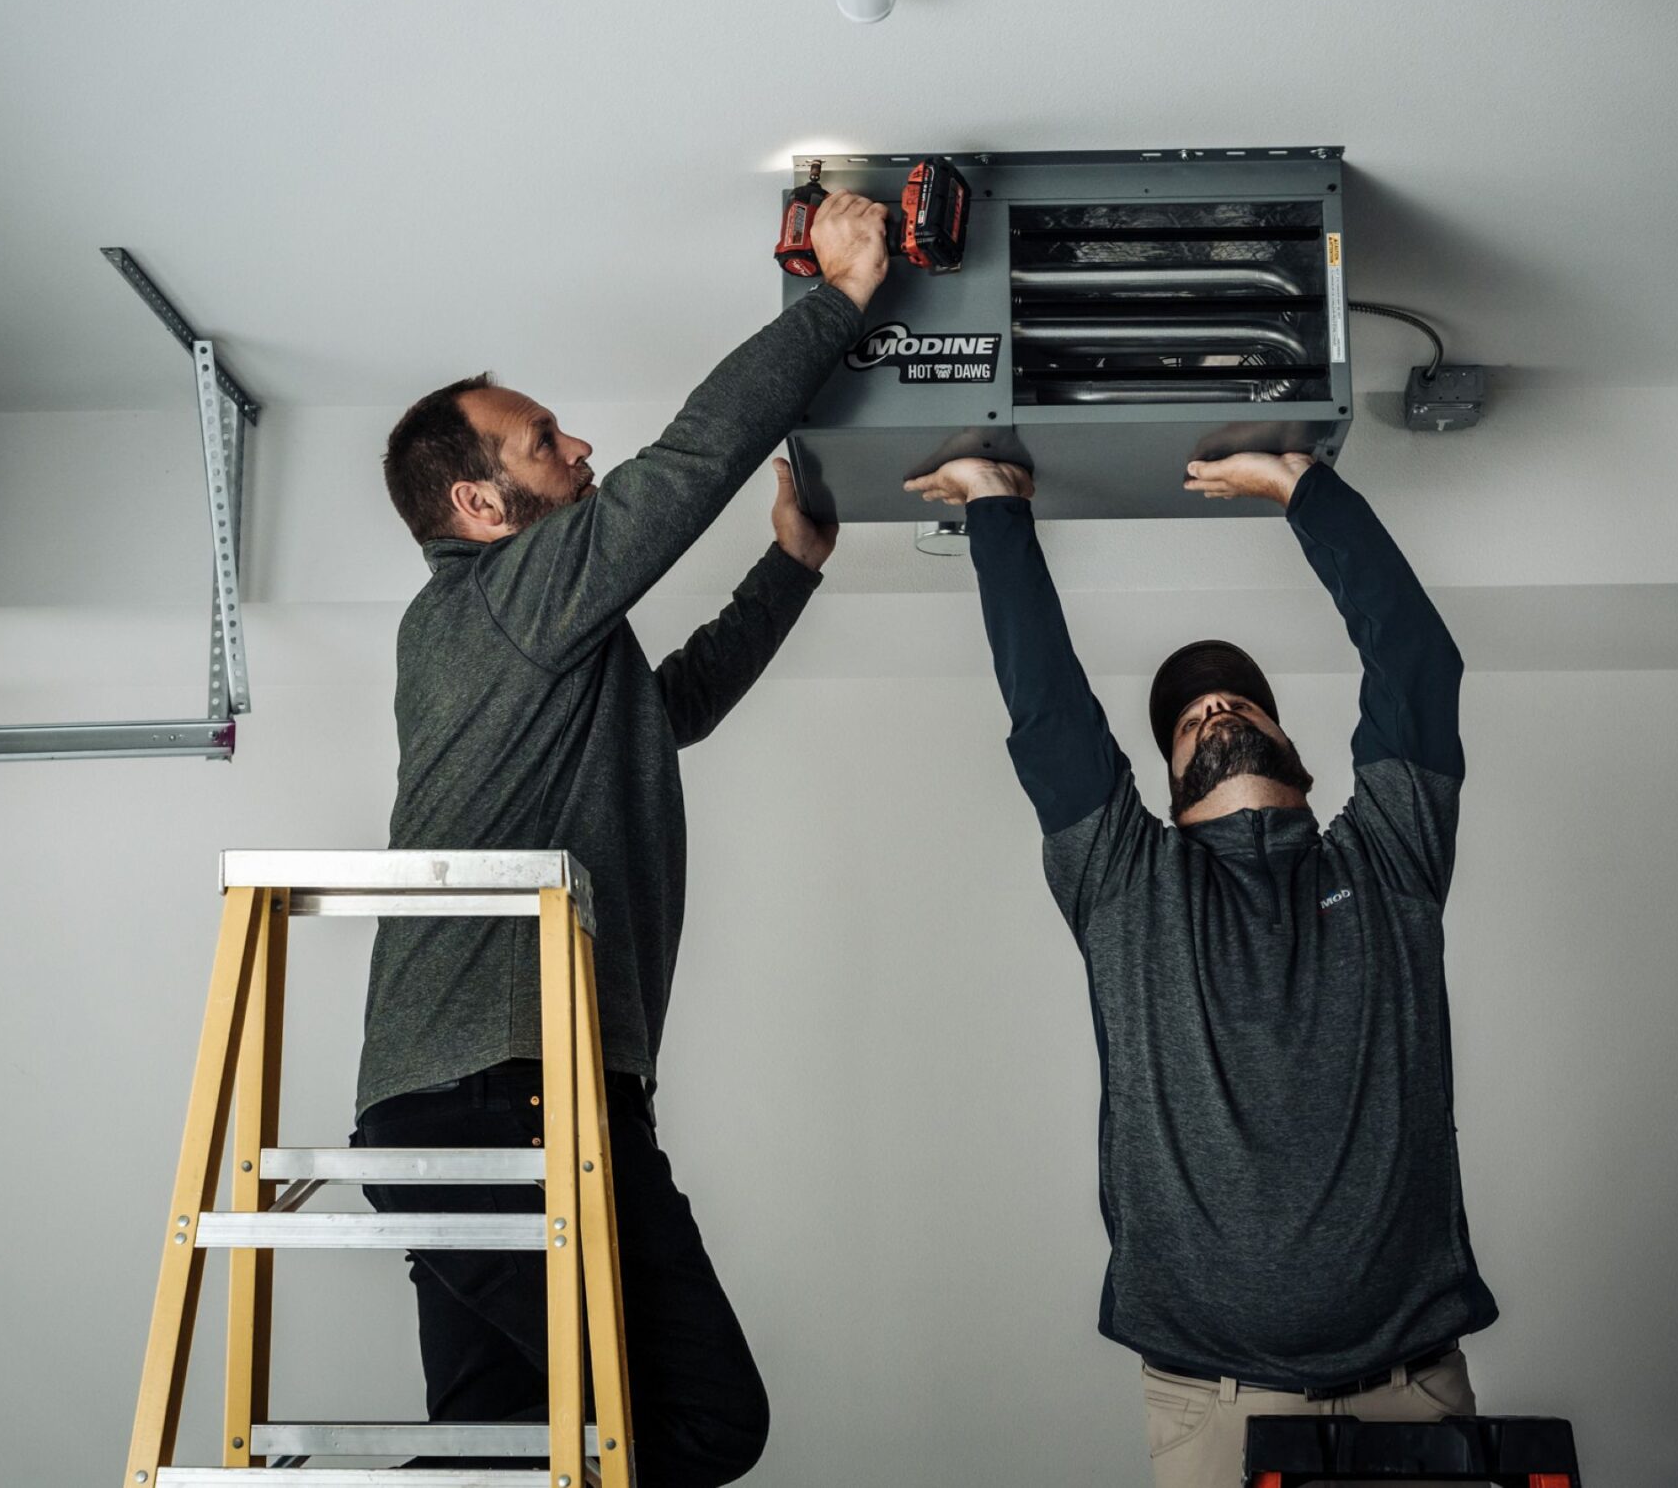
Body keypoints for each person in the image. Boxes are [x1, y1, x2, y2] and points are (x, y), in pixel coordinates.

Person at [355, 190, 892, 1484]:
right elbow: (689, 463)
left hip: (476, 1098)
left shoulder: (534, 643)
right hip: (508, 1099)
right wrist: (840, 295)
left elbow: (673, 711)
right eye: (543, 442)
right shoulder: (501, 598)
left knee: (506, 1450)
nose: (579, 444)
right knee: (700, 1418)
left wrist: (792, 567)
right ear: (480, 506)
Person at [904, 448, 1499, 1488]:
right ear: (1170, 789)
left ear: (1299, 756)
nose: (1215, 714)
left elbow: (1417, 668)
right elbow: (1050, 716)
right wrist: (998, 510)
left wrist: (1304, 489)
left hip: (1414, 1388)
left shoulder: (1389, 858)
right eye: (1188, 723)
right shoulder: (1127, 883)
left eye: (1239, 707)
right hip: (1215, 1406)